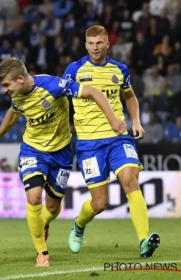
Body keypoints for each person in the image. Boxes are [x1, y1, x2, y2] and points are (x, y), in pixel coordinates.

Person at [0, 57, 126, 267]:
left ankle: (43, 223)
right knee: (33, 198)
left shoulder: (54, 86)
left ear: (20, 79)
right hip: (33, 151)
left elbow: (93, 92)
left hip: (61, 153)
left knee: (53, 207)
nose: (4, 90)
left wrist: (113, 119)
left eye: (6, 85)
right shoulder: (17, 95)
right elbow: (13, 113)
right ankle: (42, 253)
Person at [63, 25, 160, 257]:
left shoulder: (120, 69)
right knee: (99, 203)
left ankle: (144, 240)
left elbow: (130, 96)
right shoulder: (74, 69)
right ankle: (79, 224)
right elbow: (61, 100)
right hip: (88, 143)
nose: (95, 48)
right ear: (86, 45)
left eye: (100, 43)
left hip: (118, 137)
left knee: (131, 179)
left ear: (108, 44)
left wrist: (136, 121)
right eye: (91, 43)